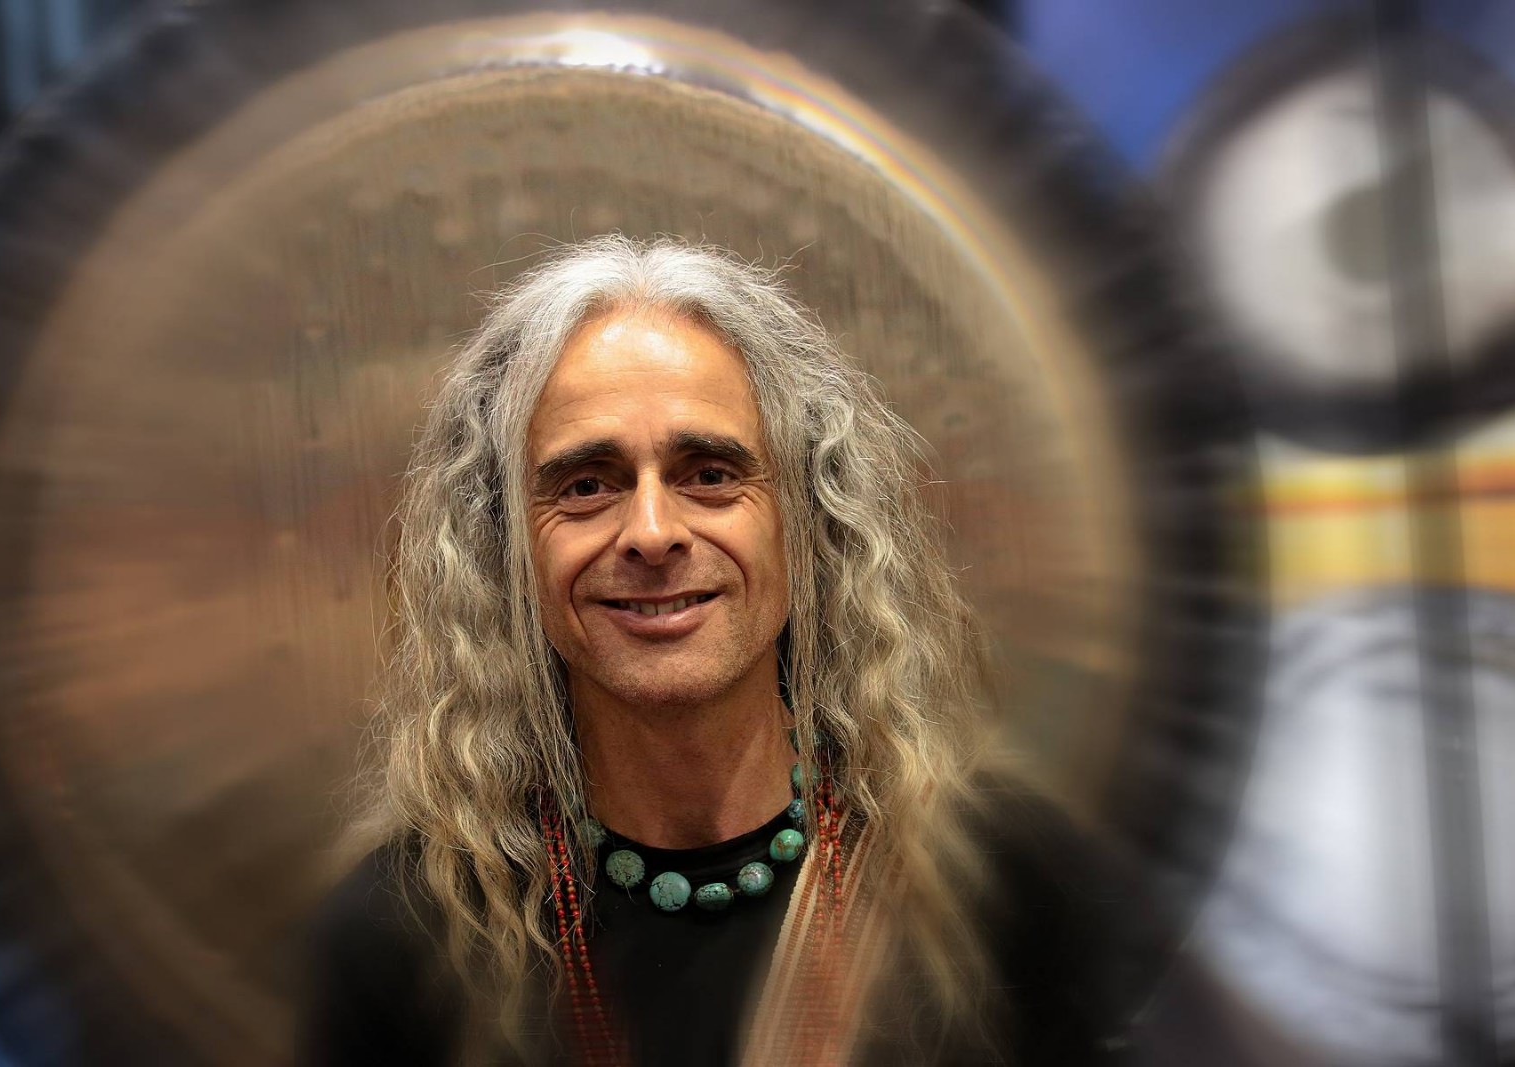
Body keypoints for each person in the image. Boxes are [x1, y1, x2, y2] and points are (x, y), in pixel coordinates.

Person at [299, 236, 1145, 1066]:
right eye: (586, 485)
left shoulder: (1005, 878)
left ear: (806, 519)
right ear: (505, 547)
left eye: (709, 473)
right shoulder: (402, 935)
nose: (652, 531)